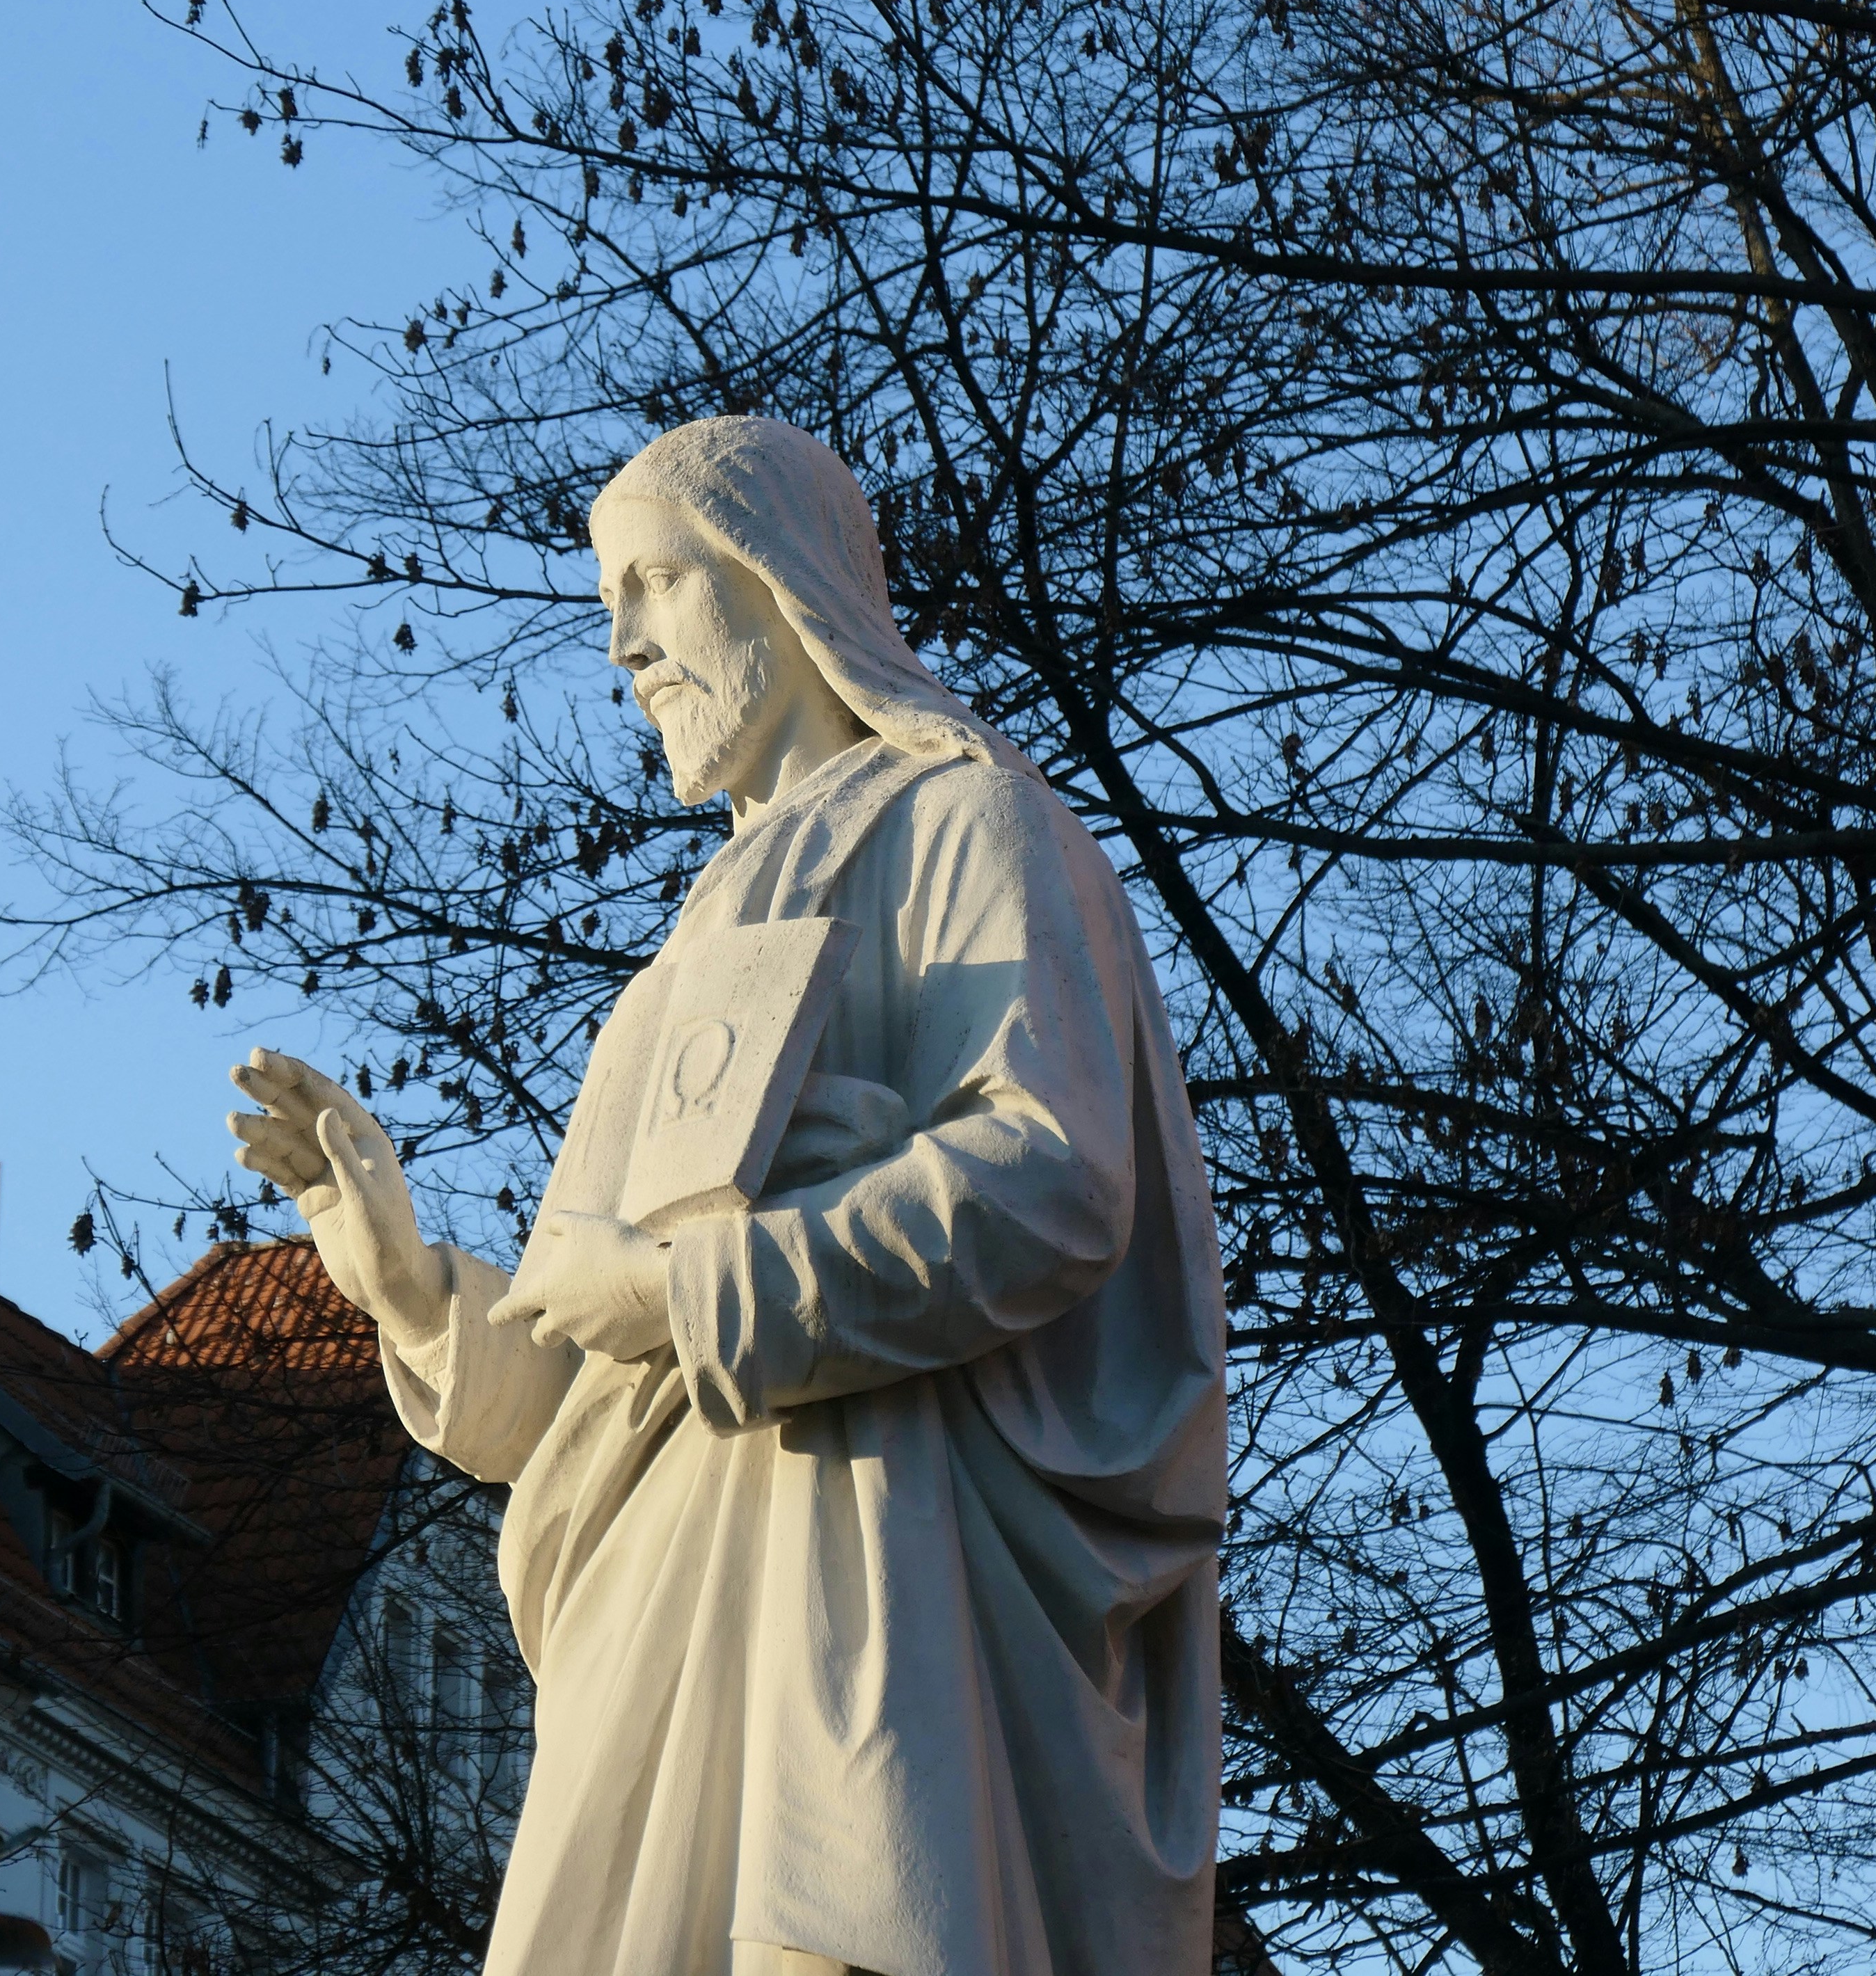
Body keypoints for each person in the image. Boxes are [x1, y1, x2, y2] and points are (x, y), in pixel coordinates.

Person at [229, 417, 1228, 1976]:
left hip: (867, 1572)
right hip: (664, 1622)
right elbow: (591, 1379)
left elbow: (1045, 1183)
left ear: (777, 581)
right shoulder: (688, 954)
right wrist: (411, 1288)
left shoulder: (970, 824)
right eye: (607, 599)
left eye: (655, 581)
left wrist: (703, 1292)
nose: (623, 642)